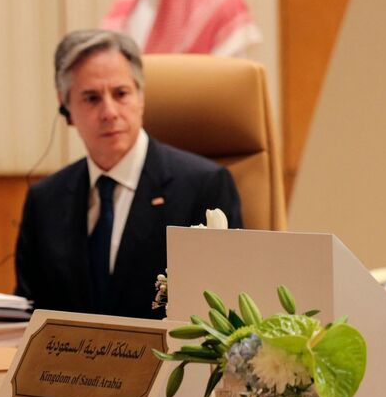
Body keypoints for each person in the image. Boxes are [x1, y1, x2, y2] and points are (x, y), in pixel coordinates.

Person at [15, 29, 242, 320]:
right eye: (91, 98)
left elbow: (224, 311)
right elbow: (27, 315)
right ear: (66, 107)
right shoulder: (44, 200)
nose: (109, 111)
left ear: (141, 97)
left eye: (121, 94)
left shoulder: (204, 187)